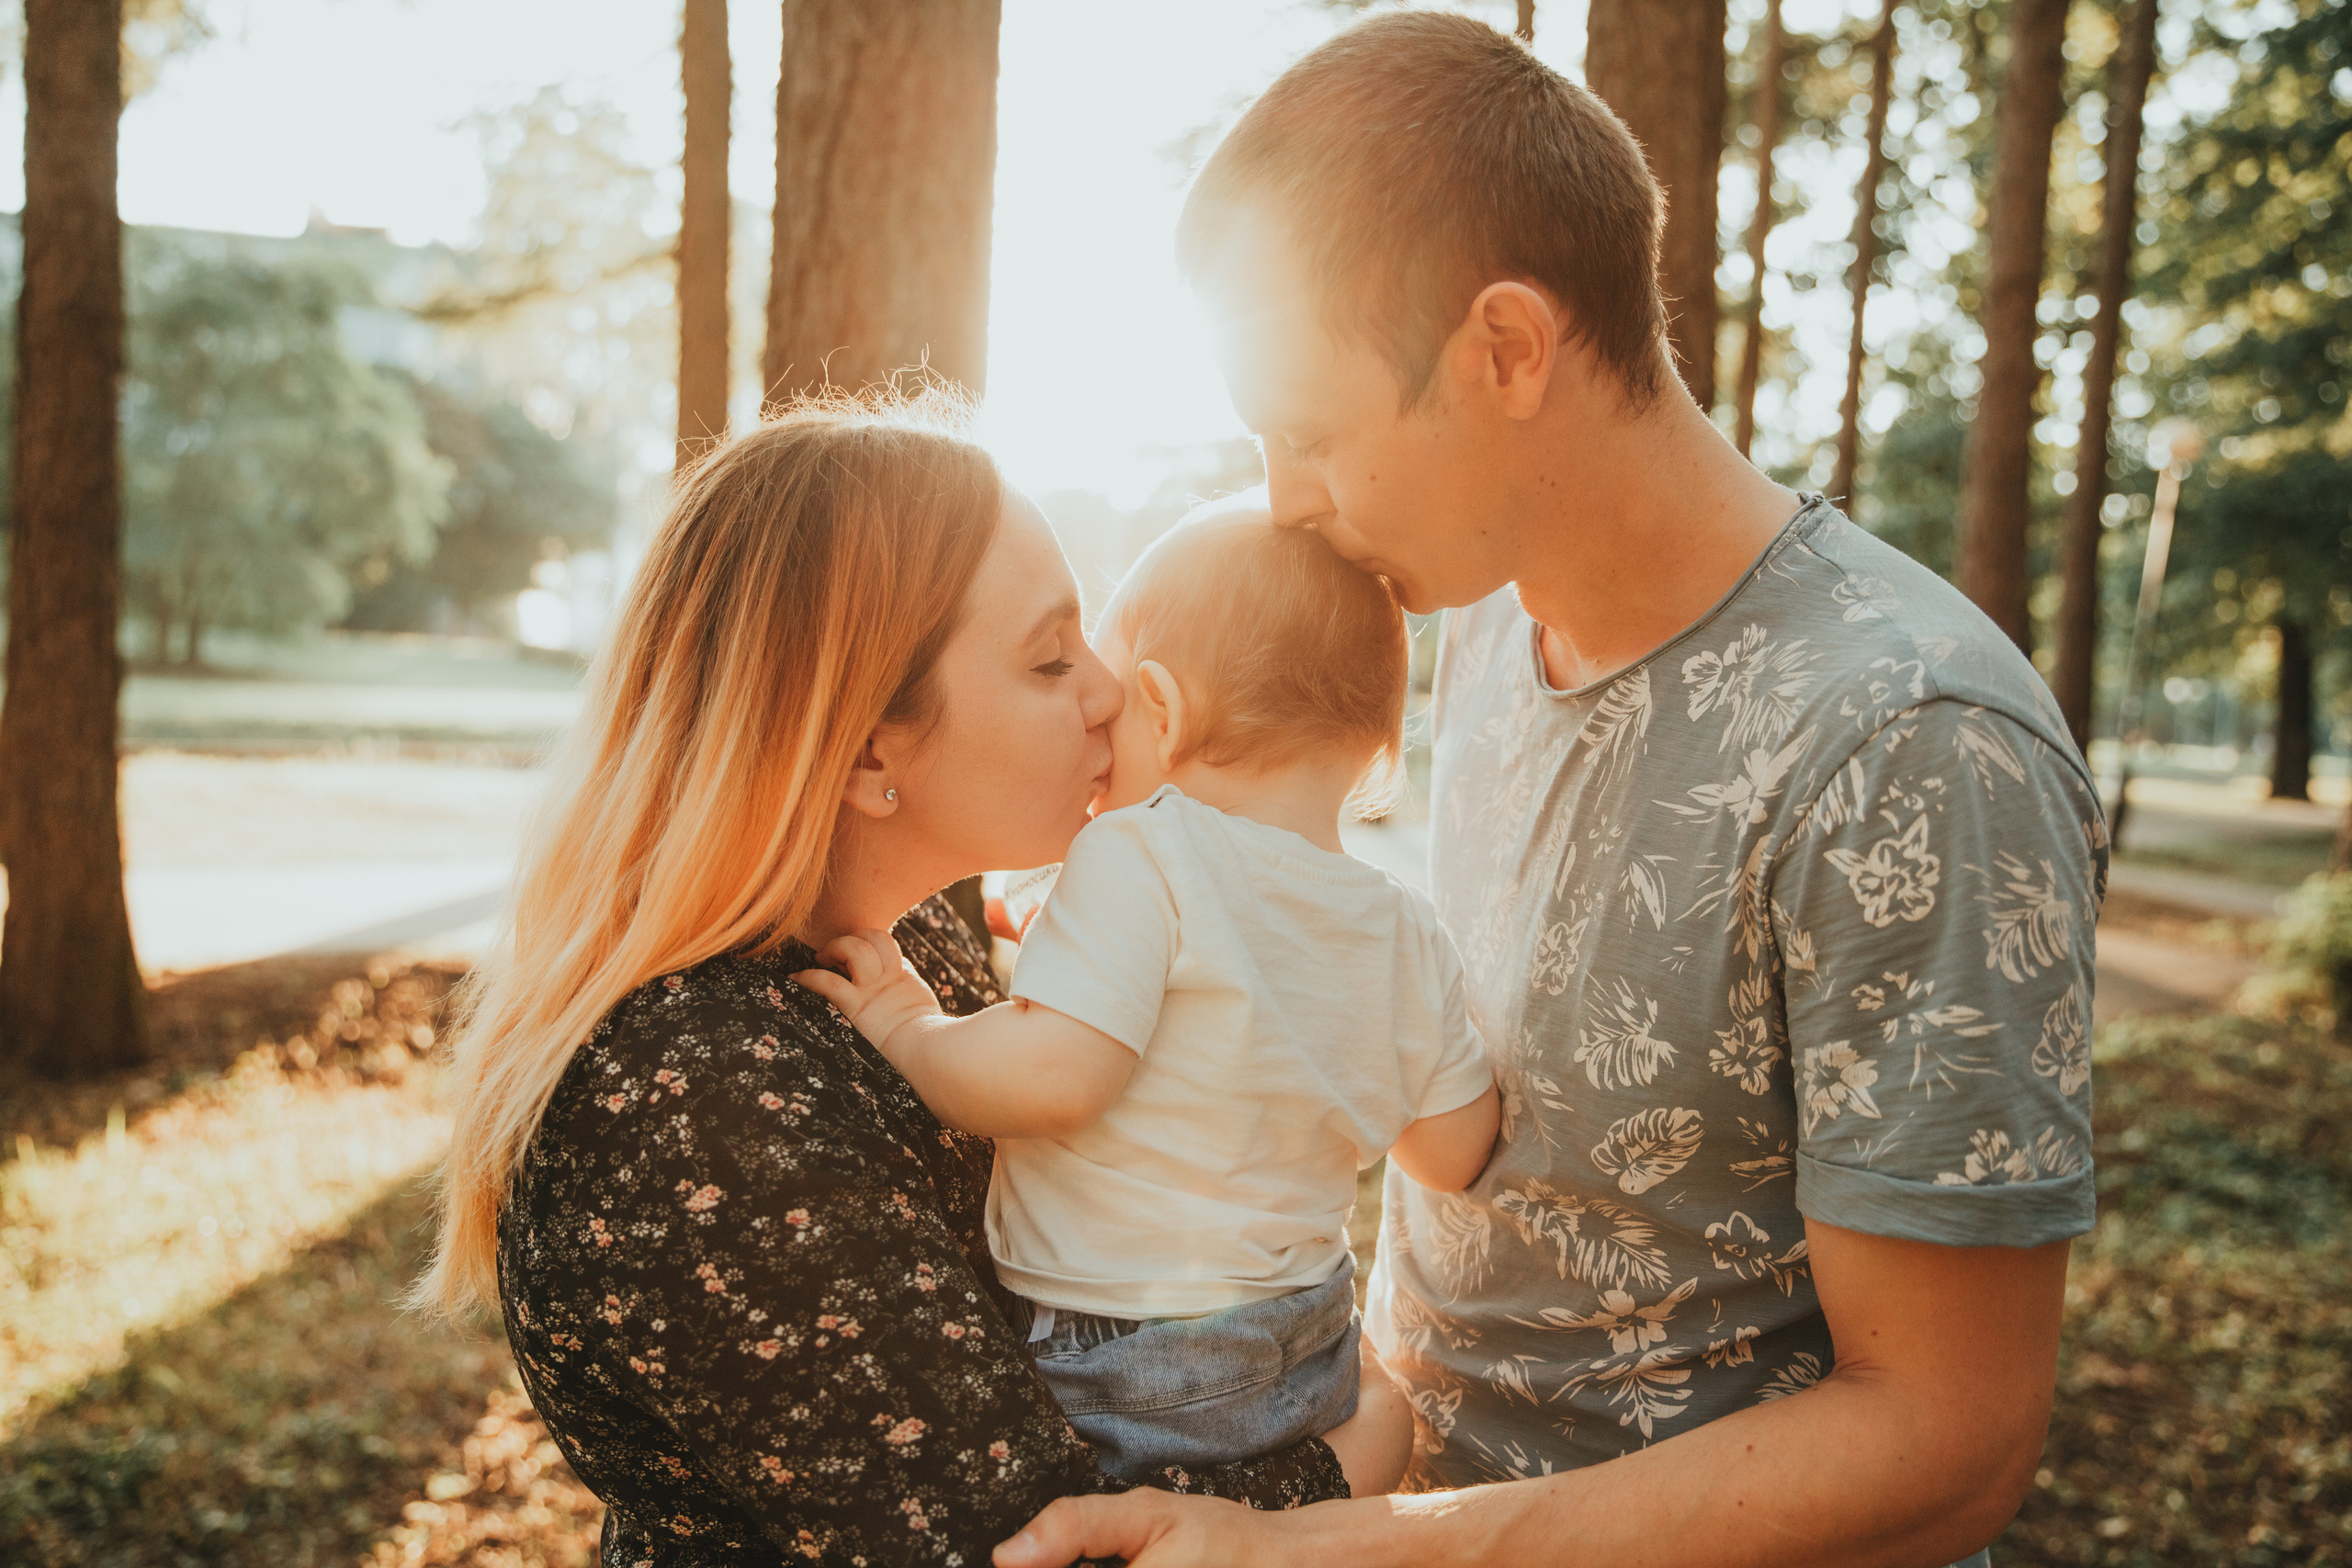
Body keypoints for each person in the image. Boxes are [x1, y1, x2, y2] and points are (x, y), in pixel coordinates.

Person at [997, 15, 2102, 1568]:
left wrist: (1341, 1547)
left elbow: (1946, 1443)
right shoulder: (1476, 626)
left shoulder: (1912, 743)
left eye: (1310, 435)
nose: (1284, 502)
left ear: (1508, 349)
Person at [413, 394, 1414, 1566]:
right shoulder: (693, 1102)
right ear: (869, 754)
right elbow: (1031, 1549)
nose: (1108, 691)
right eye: (1049, 658)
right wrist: (1361, 1449)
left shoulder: (907, 943)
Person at [800, 503, 1498, 1483]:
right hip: (1312, 1344)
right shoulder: (1405, 927)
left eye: (1111, 696)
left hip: (1127, 1354)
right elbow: (1452, 1151)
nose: (1092, 721)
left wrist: (908, 1026)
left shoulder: (1141, 847)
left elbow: (1053, 1075)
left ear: (1162, 711)